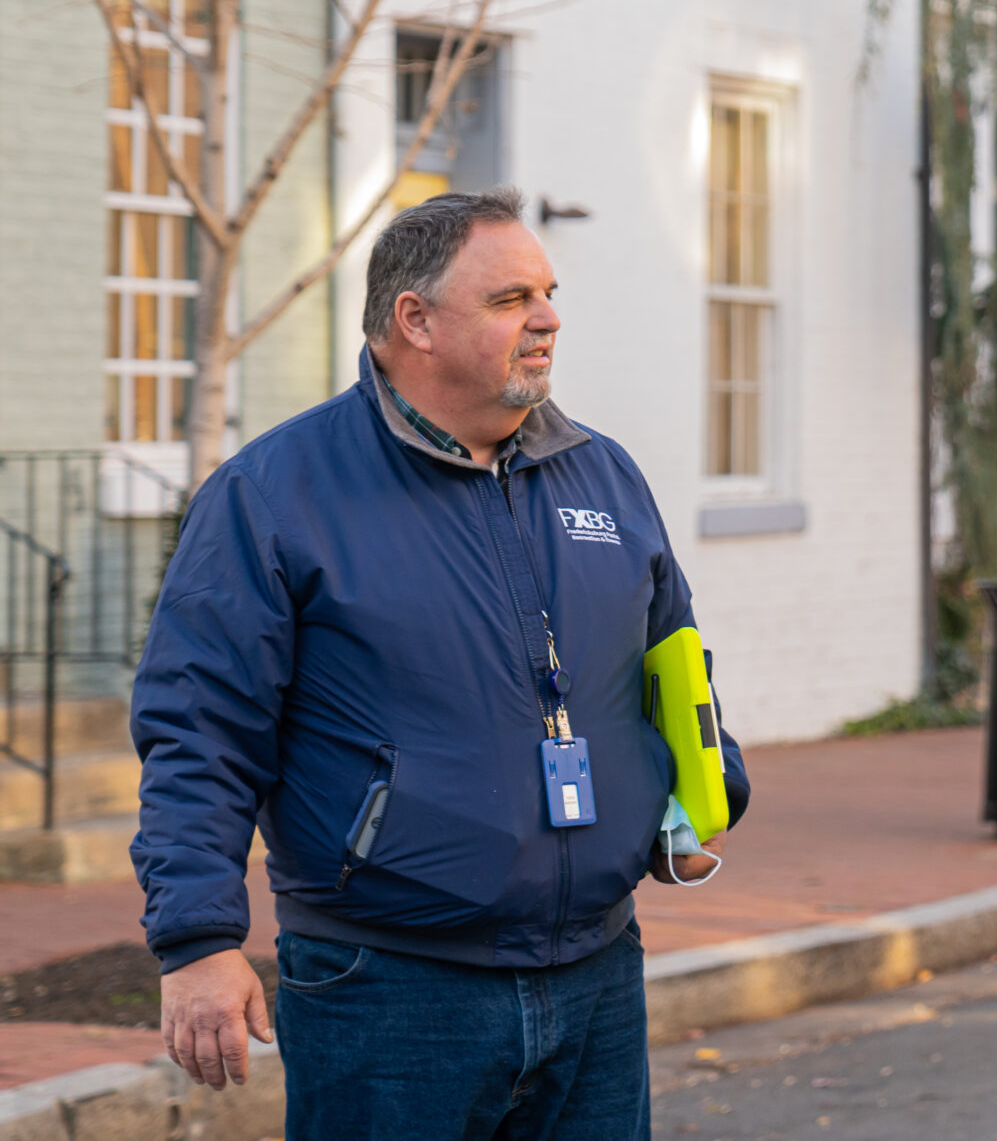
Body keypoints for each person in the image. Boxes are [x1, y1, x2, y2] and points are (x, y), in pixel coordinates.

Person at [132, 189, 747, 1139]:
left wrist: (693, 801)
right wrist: (198, 939)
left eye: (547, 292)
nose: (548, 318)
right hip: (388, 987)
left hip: (595, 973)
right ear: (412, 320)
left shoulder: (603, 472)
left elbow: (675, 662)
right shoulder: (272, 494)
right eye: (510, 299)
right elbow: (199, 728)